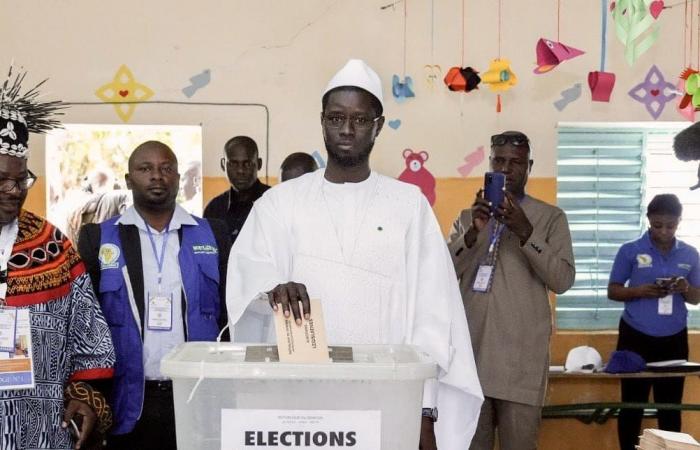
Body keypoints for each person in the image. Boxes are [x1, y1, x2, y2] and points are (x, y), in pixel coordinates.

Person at [226, 59, 483, 450]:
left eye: (360, 120)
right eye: (336, 117)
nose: (346, 129)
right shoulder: (279, 204)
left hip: (388, 404)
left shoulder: (408, 205)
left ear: (378, 126)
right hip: (300, 410)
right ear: (322, 121)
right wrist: (270, 289)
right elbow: (248, 280)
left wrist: (425, 412)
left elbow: (432, 315)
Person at [78, 141, 231, 450]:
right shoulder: (99, 237)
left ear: (177, 177)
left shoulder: (213, 233)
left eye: (166, 168)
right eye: (145, 169)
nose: (157, 176)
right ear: (128, 179)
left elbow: (228, 315)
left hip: (196, 394)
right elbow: (85, 324)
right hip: (127, 399)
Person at [0, 66, 116, 450]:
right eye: (2, 179)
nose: (14, 191)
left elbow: (91, 338)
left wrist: (84, 397)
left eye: (21, 179)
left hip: (40, 432)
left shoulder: (52, 246)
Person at [447, 131, 575, 450]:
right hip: (471, 364)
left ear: (529, 167)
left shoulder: (550, 219)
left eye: (516, 162)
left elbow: (562, 279)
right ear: (490, 164)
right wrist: (474, 234)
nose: (507, 169)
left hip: (520, 365)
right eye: (499, 161)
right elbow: (442, 275)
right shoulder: (468, 218)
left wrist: (525, 230)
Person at [607, 193, 700, 450]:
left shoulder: (691, 254)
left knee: (669, 408)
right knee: (632, 407)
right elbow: (613, 290)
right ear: (649, 220)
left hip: (674, 338)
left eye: (670, 226)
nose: (664, 231)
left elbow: (696, 298)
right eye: (658, 225)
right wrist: (640, 291)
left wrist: (684, 287)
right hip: (634, 336)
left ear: (679, 222)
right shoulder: (630, 251)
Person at [203, 136, 270, 242]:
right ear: (223, 165)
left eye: (247, 164)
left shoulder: (274, 202)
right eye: (233, 164)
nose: (240, 171)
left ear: (259, 164)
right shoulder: (214, 209)